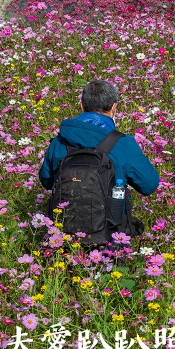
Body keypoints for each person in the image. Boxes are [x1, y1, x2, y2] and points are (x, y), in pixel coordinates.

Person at [39, 79, 159, 240]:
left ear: (82, 106)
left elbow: (46, 181)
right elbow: (149, 185)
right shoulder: (122, 144)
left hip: (63, 233)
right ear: (114, 107)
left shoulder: (60, 142)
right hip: (109, 234)